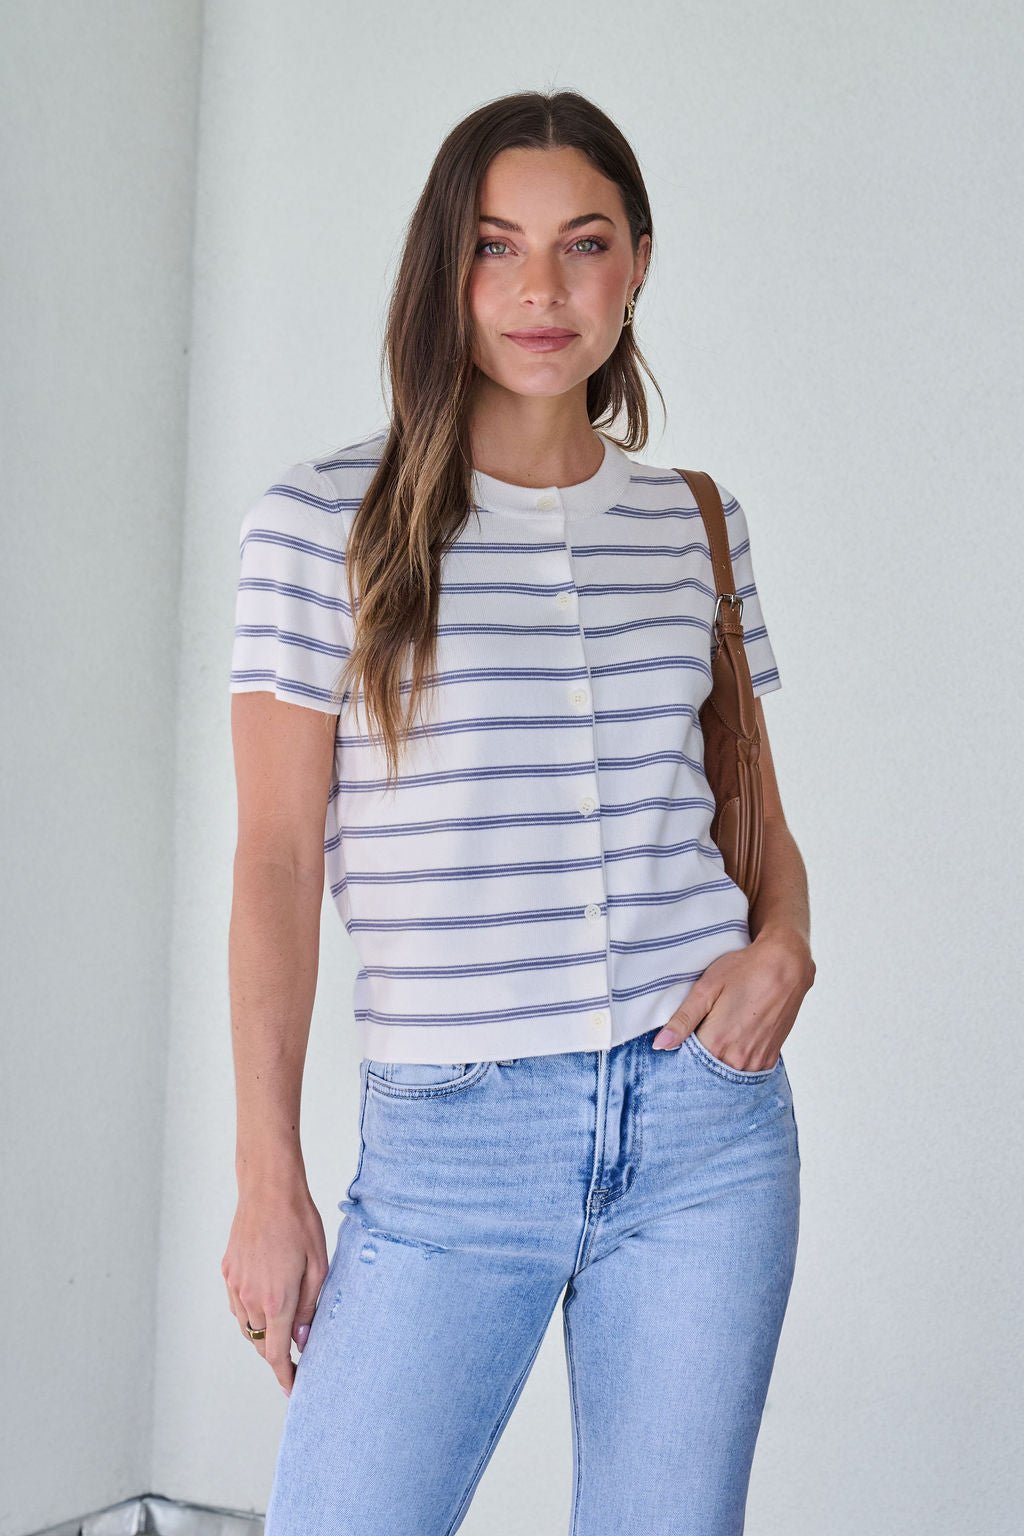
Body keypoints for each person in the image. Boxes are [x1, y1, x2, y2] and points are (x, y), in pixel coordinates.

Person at [222, 88, 815, 1536]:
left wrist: (786, 949)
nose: (541, 289)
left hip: (704, 1133)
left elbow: (749, 807)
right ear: (447, 266)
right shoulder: (325, 523)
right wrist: (267, 1175)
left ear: (638, 263)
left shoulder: (695, 521)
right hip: (452, 1140)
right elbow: (277, 862)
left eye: (583, 243)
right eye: (497, 246)